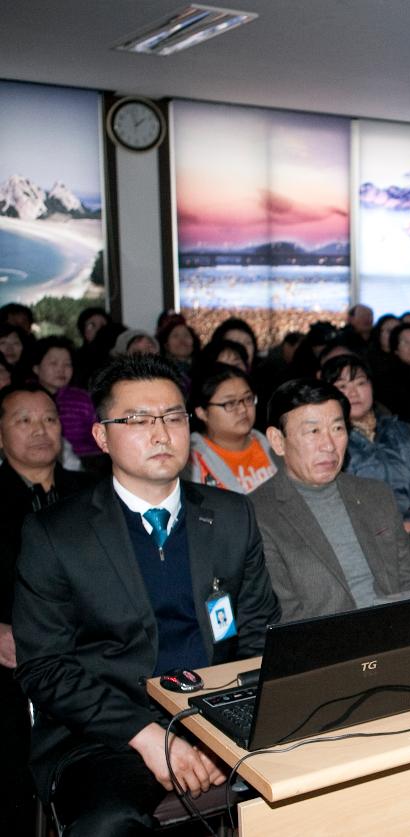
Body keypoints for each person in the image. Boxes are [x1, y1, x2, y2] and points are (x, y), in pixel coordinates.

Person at [13, 355, 279, 834]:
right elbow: (45, 666)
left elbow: (259, 635)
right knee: (106, 824)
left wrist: (218, 732)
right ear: (101, 436)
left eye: (173, 417)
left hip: (219, 715)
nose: (161, 434)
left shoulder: (232, 516)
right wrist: (146, 734)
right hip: (104, 732)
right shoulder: (56, 534)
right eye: (137, 420)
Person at [251, 379, 410, 622]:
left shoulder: (375, 495)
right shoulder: (257, 514)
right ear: (277, 440)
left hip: (399, 632)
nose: (329, 445)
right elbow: (285, 617)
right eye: (313, 431)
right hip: (326, 649)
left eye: (337, 429)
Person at [0, 385, 92, 829]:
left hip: (94, 647)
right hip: (13, 652)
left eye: (50, 419)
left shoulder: (93, 493)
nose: (41, 430)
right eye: (24, 420)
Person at [322, 354, 410, 529]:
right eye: (342, 386)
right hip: (367, 535)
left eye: (360, 383)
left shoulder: (399, 431)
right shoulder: (329, 442)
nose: (353, 393)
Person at [187, 364, 278, 493]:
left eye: (247, 399)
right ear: (202, 412)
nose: (242, 409)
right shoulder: (190, 463)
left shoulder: (273, 445)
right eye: (230, 403)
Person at [28, 336, 103, 472]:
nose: (61, 370)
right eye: (53, 363)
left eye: (67, 364)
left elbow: (100, 434)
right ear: (36, 368)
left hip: (87, 463)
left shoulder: (82, 398)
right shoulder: (23, 397)